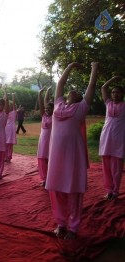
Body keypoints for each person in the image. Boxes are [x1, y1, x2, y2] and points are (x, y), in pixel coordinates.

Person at [45, 62, 99, 240]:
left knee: (74, 192)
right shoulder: (58, 105)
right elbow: (60, 83)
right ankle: (61, 223)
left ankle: (73, 227)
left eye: (78, 91)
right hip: (56, 158)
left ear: (80, 98)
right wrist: (69, 66)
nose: (74, 90)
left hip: (73, 158)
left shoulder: (82, 108)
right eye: (72, 89)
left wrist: (93, 68)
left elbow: (91, 86)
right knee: (57, 190)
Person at [99, 76, 125, 200]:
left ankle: (115, 191)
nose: (115, 94)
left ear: (122, 94)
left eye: (118, 92)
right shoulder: (108, 103)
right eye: (113, 92)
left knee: (117, 168)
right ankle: (109, 190)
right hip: (106, 139)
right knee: (106, 166)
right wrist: (113, 79)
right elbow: (103, 87)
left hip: (119, 140)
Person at [37, 87, 54, 187]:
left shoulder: (55, 116)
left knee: (50, 159)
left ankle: (51, 178)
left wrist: (47, 92)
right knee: (42, 158)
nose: (47, 109)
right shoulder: (44, 116)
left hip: (51, 141)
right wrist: (40, 94)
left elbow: (46, 101)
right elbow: (41, 105)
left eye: (49, 108)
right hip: (43, 140)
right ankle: (44, 179)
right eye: (46, 108)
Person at [5, 93, 17, 162]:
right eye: (7, 106)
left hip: (11, 130)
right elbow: (4, 101)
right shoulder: (5, 113)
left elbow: (14, 104)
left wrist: (13, 96)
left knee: (10, 144)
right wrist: (6, 95)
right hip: (6, 129)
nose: (8, 107)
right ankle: (5, 157)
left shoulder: (13, 112)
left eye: (10, 106)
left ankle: (9, 157)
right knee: (5, 144)